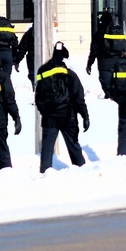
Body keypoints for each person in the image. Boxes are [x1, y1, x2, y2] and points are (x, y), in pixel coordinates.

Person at [35, 42, 89, 173]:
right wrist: (84, 115)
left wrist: (45, 111)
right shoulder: (70, 74)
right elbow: (78, 97)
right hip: (68, 115)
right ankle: (82, 170)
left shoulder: (42, 71)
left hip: (49, 117)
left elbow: (38, 95)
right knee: (74, 146)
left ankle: (44, 172)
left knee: (47, 148)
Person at [86, 11, 126, 96]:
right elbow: (124, 47)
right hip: (118, 62)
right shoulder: (118, 32)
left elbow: (94, 51)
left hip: (104, 63)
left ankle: (109, 99)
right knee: (117, 83)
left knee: (107, 86)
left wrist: (89, 64)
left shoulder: (99, 33)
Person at [13, 24, 36, 89]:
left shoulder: (29, 33)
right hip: (46, 59)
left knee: (34, 78)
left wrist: (17, 61)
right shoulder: (47, 31)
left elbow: (22, 49)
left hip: (32, 58)